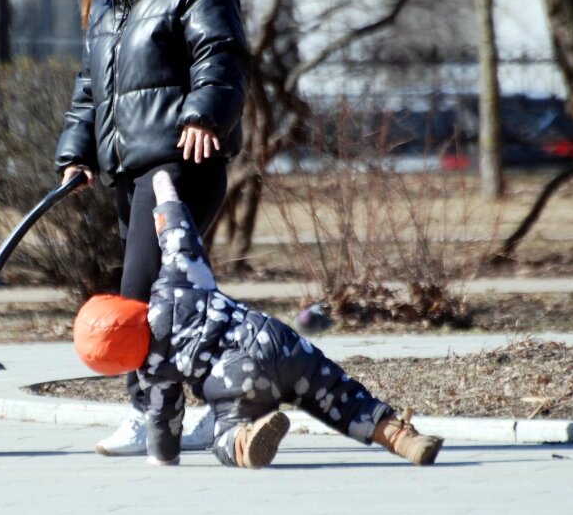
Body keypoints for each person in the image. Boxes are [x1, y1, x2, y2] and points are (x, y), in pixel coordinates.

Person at [72, 171, 445, 468]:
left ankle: (243, 440)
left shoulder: (152, 370)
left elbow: (164, 422)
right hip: (278, 341)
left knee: (225, 434)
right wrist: (162, 189)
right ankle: (399, 435)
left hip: (236, 380)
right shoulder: (174, 285)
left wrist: (162, 457)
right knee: (339, 396)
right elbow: (177, 236)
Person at [55, 0, 250, 456]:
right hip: (130, 173)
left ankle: (146, 413)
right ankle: (235, 402)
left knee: (138, 298)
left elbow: (221, 55)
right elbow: (90, 90)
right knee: (183, 302)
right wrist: (77, 152)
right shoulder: (108, 7)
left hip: (181, 163)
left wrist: (203, 113)